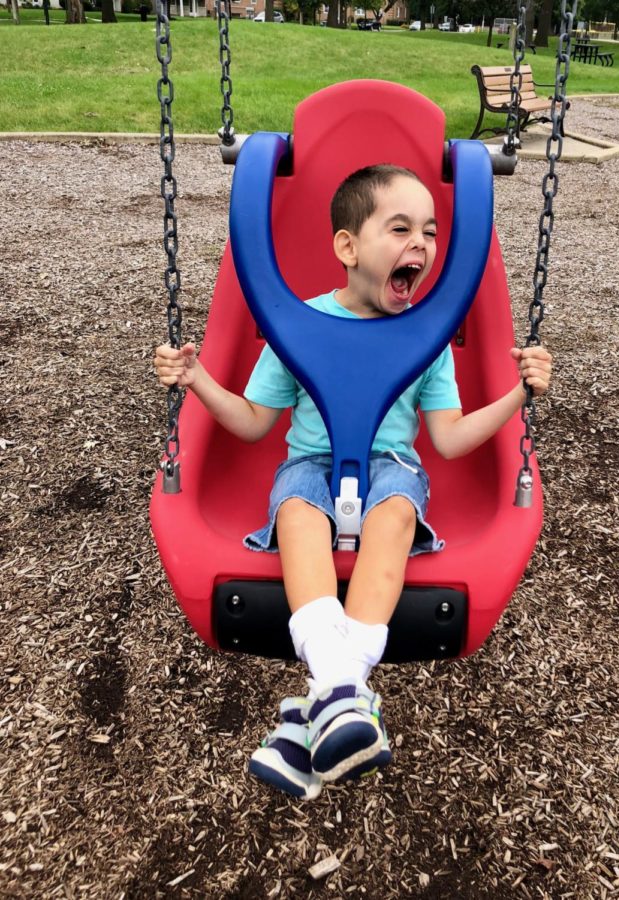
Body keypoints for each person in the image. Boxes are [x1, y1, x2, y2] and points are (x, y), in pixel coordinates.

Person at [154, 165, 553, 800]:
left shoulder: (427, 339)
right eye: (399, 228)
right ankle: (341, 698)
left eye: (429, 231)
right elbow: (255, 422)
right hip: (309, 469)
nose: (419, 245)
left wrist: (517, 396)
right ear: (348, 247)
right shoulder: (297, 325)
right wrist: (197, 378)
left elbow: (446, 438)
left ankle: (319, 705)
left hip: (393, 468)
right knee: (296, 517)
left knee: (395, 512)